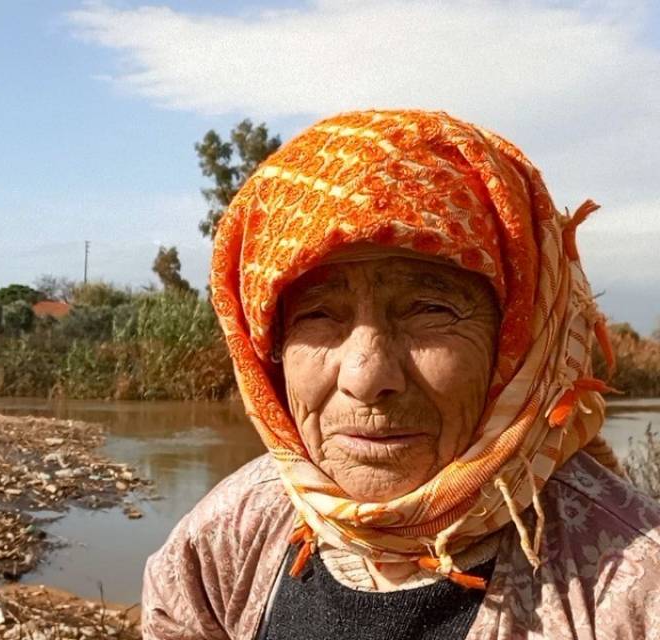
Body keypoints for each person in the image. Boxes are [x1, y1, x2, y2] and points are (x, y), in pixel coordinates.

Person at [141, 110, 660, 639]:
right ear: (269, 354)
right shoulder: (218, 545)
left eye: (429, 309)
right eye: (318, 315)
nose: (366, 378)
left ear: (519, 341)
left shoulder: (632, 594)